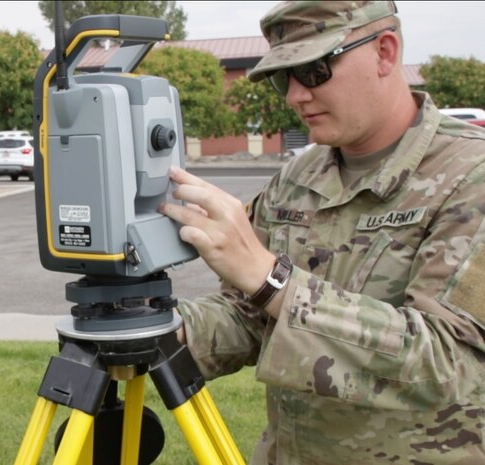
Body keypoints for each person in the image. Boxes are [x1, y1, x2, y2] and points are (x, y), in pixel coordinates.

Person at [158, 1, 485, 463]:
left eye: (313, 70)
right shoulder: (297, 178)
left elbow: (449, 363)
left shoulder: (471, 176)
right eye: (281, 77)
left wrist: (274, 281)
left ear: (385, 52)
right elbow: (250, 316)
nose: (294, 96)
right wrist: (162, 332)